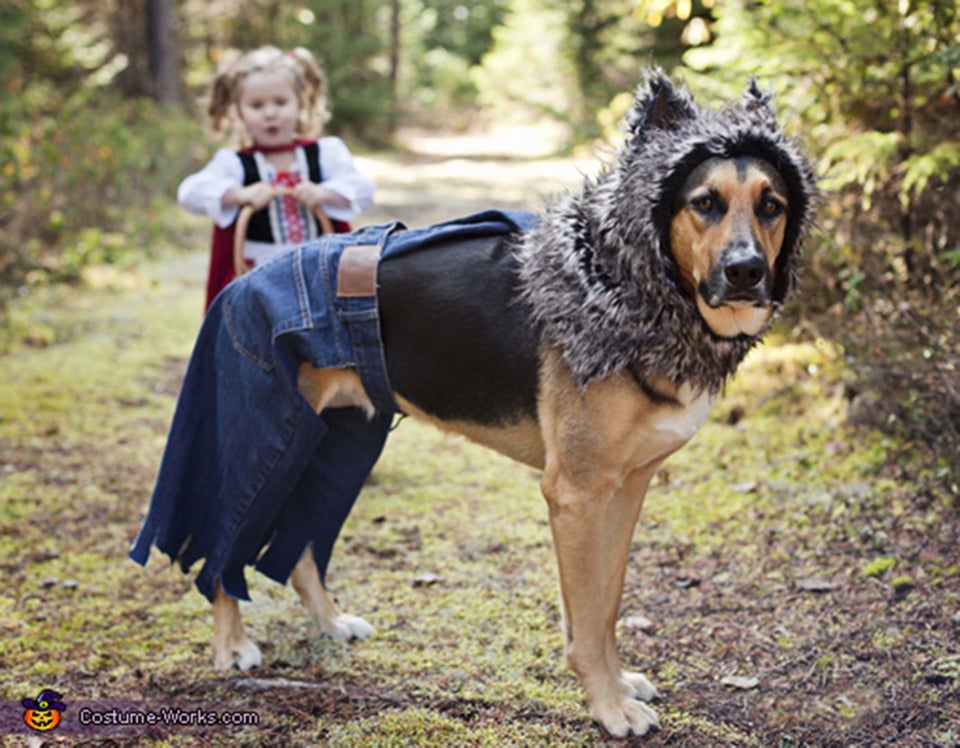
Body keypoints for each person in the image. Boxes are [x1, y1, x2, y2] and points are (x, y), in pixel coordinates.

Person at [178, 45, 375, 309]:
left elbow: (363, 191)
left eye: (280, 102)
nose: (270, 113)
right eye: (257, 105)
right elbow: (189, 194)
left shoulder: (325, 153)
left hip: (319, 274)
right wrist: (239, 195)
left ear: (300, 103)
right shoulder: (234, 164)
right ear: (240, 111)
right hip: (259, 279)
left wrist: (323, 193)